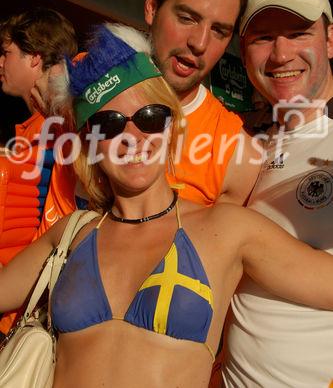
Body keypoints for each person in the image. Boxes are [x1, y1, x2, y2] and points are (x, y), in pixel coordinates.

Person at [2, 23, 333, 388]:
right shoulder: (71, 234)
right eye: (110, 125)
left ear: (172, 126)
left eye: (150, 117)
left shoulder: (226, 230)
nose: (133, 138)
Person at [222, 0, 333, 387]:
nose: (281, 53)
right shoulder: (248, 145)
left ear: (330, 39)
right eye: (263, 37)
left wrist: (243, 237)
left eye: (298, 32)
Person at [144, 0, 261, 206]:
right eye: (187, 18)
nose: (199, 43)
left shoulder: (237, 154)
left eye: (219, 31)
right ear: (152, 7)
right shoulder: (83, 83)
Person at [0, 7, 78, 335]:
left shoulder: (68, 125)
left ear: (35, 57)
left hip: (30, 313)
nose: (0, 63)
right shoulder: (34, 128)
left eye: (6, 53)